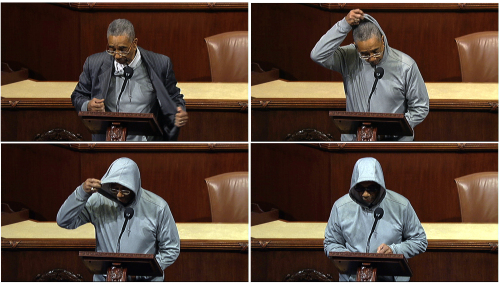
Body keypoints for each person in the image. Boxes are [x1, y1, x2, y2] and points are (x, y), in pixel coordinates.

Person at [311, 9, 429, 141]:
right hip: (354, 142)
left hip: (393, 142)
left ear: (383, 40)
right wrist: (344, 25)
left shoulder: (406, 65)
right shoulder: (348, 57)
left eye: (376, 51)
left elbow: (420, 107)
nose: (372, 58)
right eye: (365, 54)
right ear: (356, 48)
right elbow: (317, 55)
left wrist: (394, 126)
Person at [57, 157, 180, 281]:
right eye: (115, 189)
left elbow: (171, 248)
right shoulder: (98, 202)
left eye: (125, 190)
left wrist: (142, 272)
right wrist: (81, 193)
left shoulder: (158, 207)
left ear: (135, 187)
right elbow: (64, 221)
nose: (119, 195)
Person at [71, 19, 188, 141]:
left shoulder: (160, 64)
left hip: (147, 144)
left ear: (134, 43)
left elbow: (174, 97)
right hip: (106, 142)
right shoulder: (94, 63)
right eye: (112, 49)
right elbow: (78, 95)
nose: (116, 55)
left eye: (122, 49)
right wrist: (88, 106)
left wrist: (179, 111)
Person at [324, 157, 427, 281]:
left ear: (380, 186)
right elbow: (331, 243)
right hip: (352, 279)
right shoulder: (340, 207)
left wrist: (394, 250)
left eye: (371, 189)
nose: (365, 194)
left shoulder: (401, 205)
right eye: (360, 189)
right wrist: (347, 257)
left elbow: (420, 241)